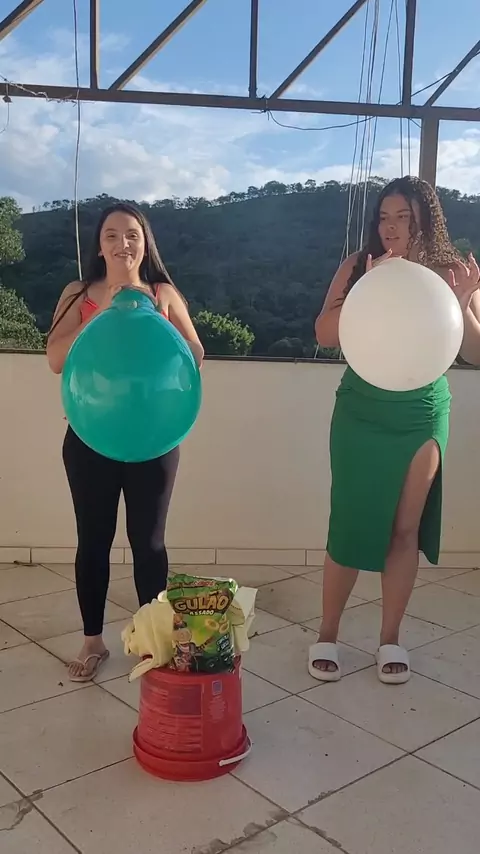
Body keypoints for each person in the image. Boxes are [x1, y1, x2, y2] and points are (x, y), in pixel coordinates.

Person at [310, 176, 479, 685]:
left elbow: (474, 352)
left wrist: (464, 302)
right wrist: (364, 289)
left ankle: (390, 640)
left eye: (404, 216)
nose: (391, 226)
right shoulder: (358, 265)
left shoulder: (450, 271)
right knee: (350, 522)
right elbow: (323, 334)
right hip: (362, 409)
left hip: (421, 412)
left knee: (405, 528)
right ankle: (327, 634)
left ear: (426, 220)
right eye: (384, 217)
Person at [47, 203, 204, 682]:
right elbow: (55, 358)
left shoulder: (162, 293)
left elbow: (195, 353)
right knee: (93, 540)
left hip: (155, 440)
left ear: (144, 242)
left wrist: (151, 316)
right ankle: (93, 641)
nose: (123, 243)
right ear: (100, 245)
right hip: (89, 438)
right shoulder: (78, 294)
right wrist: (105, 315)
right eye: (111, 235)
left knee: (149, 543)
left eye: (132, 234)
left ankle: (152, 639)